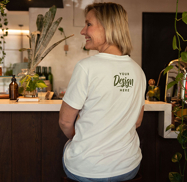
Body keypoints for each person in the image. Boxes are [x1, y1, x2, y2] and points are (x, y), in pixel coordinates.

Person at [59, 2, 146, 181]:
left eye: (88, 24)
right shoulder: (138, 71)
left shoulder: (86, 67)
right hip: (128, 166)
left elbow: (65, 122)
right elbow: (137, 121)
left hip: (87, 169)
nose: (83, 31)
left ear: (109, 27)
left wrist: (83, 142)